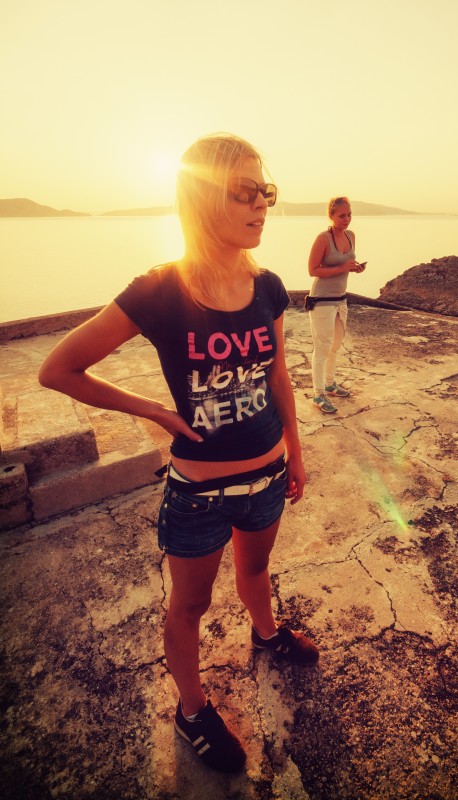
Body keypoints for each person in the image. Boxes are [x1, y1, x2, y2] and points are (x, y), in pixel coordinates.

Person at [38, 133, 318, 774]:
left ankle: (267, 635)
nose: (262, 204)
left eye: (266, 191)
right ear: (201, 198)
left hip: (268, 475)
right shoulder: (160, 290)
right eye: (244, 191)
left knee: (257, 572)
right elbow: (59, 369)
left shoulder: (269, 286)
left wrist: (295, 453)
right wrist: (156, 411)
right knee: (189, 606)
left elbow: (277, 376)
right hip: (199, 495)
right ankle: (192, 712)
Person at [307, 197, 366, 413]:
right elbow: (313, 270)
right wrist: (341, 268)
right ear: (331, 216)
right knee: (322, 347)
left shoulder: (351, 236)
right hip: (322, 300)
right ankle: (318, 394)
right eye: (342, 215)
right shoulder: (323, 239)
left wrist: (355, 268)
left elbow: (345, 265)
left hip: (341, 299)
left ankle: (330, 384)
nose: (347, 219)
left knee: (335, 345)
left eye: (349, 214)